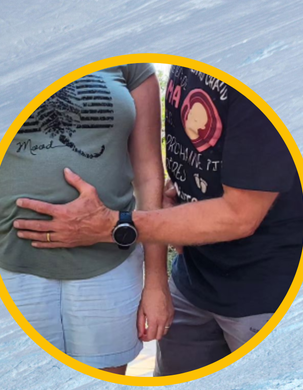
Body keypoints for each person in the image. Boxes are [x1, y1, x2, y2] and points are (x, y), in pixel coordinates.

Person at [13, 66, 303, 376]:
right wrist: (182, 199)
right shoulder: (187, 63)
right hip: (192, 279)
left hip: (263, 294)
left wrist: (113, 226)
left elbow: (239, 216)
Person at [0, 64, 173, 374]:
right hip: (10, 263)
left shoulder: (129, 60)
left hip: (109, 263)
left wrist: (157, 282)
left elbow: (149, 175)